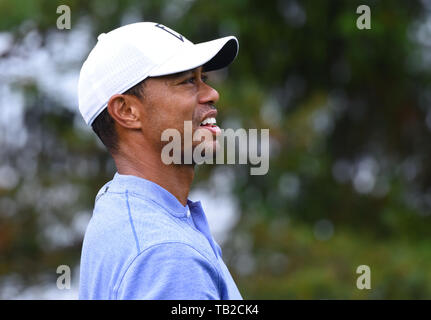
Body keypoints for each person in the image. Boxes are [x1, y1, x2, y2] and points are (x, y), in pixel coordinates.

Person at [77, 22, 242, 300]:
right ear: (127, 110)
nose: (211, 94)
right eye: (188, 81)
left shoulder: (119, 208)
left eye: (204, 79)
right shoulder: (167, 254)